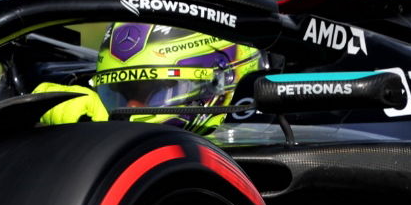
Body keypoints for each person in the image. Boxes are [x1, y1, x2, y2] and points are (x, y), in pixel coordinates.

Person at [33, 23, 263, 134]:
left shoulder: (270, 135)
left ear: (222, 81)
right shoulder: (95, 118)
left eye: (157, 90)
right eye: (121, 93)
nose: (131, 109)